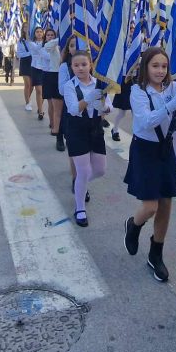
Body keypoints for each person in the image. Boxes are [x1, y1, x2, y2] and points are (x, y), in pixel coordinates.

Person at [122, 48, 176, 282]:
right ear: (146, 67)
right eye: (155, 66)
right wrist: (170, 106)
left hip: (165, 149)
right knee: (150, 207)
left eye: (164, 66)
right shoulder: (138, 91)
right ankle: (133, 225)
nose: (160, 71)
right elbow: (146, 121)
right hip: (145, 150)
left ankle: (155, 253)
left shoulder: (174, 87)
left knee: (166, 204)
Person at [60, 48, 110, 227]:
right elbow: (74, 109)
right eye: (76, 65)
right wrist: (89, 98)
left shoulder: (100, 83)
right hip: (77, 129)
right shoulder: (69, 86)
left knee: (100, 170)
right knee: (83, 170)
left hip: (95, 128)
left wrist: (104, 107)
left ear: (91, 65)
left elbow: (107, 106)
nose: (80, 68)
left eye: (84, 64)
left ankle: (80, 183)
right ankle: (79, 208)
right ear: (71, 67)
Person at [41, 30, 63, 147]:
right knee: (52, 104)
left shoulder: (59, 46)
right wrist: (61, 38)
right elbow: (47, 49)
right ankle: (53, 125)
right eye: (48, 35)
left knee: (61, 106)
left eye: (52, 35)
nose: (50, 37)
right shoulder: (48, 46)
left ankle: (57, 125)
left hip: (62, 75)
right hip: (50, 75)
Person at [25, 27, 46, 121]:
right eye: (37, 32)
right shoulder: (31, 43)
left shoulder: (47, 43)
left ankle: (39, 107)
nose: (39, 33)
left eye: (41, 32)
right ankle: (41, 112)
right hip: (35, 68)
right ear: (34, 33)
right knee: (39, 90)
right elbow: (38, 48)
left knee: (44, 91)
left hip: (45, 68)